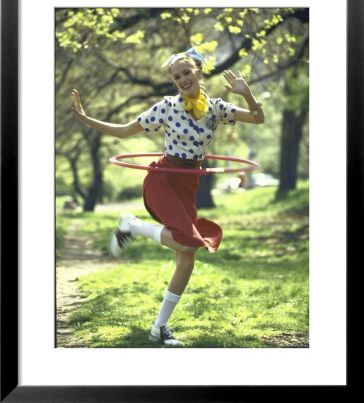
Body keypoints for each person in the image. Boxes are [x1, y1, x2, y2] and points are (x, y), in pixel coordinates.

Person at [72, 47, 264, 346]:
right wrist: (87, 119)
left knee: (186, 259)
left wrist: (246, 93)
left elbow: (257, 118)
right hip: (163, 178)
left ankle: (159, 328)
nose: (182, 80)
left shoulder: (217, 108)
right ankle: (132, 225)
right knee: (188, 243)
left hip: (188, 185)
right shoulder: (167, 107)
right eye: (176, 77)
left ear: (198, 71)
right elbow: (124, 132)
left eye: (186, 73)